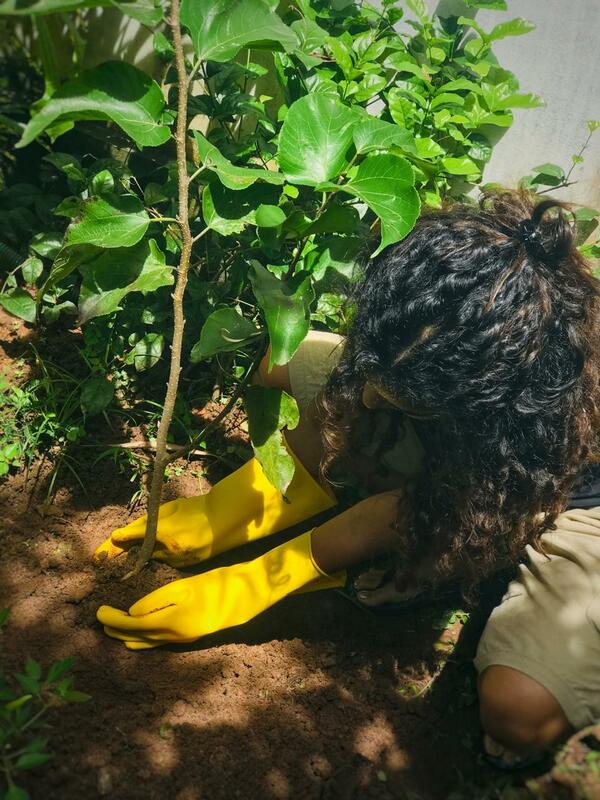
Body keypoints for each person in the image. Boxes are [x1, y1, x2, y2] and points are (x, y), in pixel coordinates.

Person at [96, 189, 600, 768]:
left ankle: (448, 573)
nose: (365, 396)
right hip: (459, 432)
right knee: (287, 365)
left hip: (568, 498)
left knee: (516, 712)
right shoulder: (462, 309)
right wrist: (231, 508)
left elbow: (418, 509)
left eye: (392, 395)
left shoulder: (542, 411)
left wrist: (263, 578)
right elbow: (355, 390)